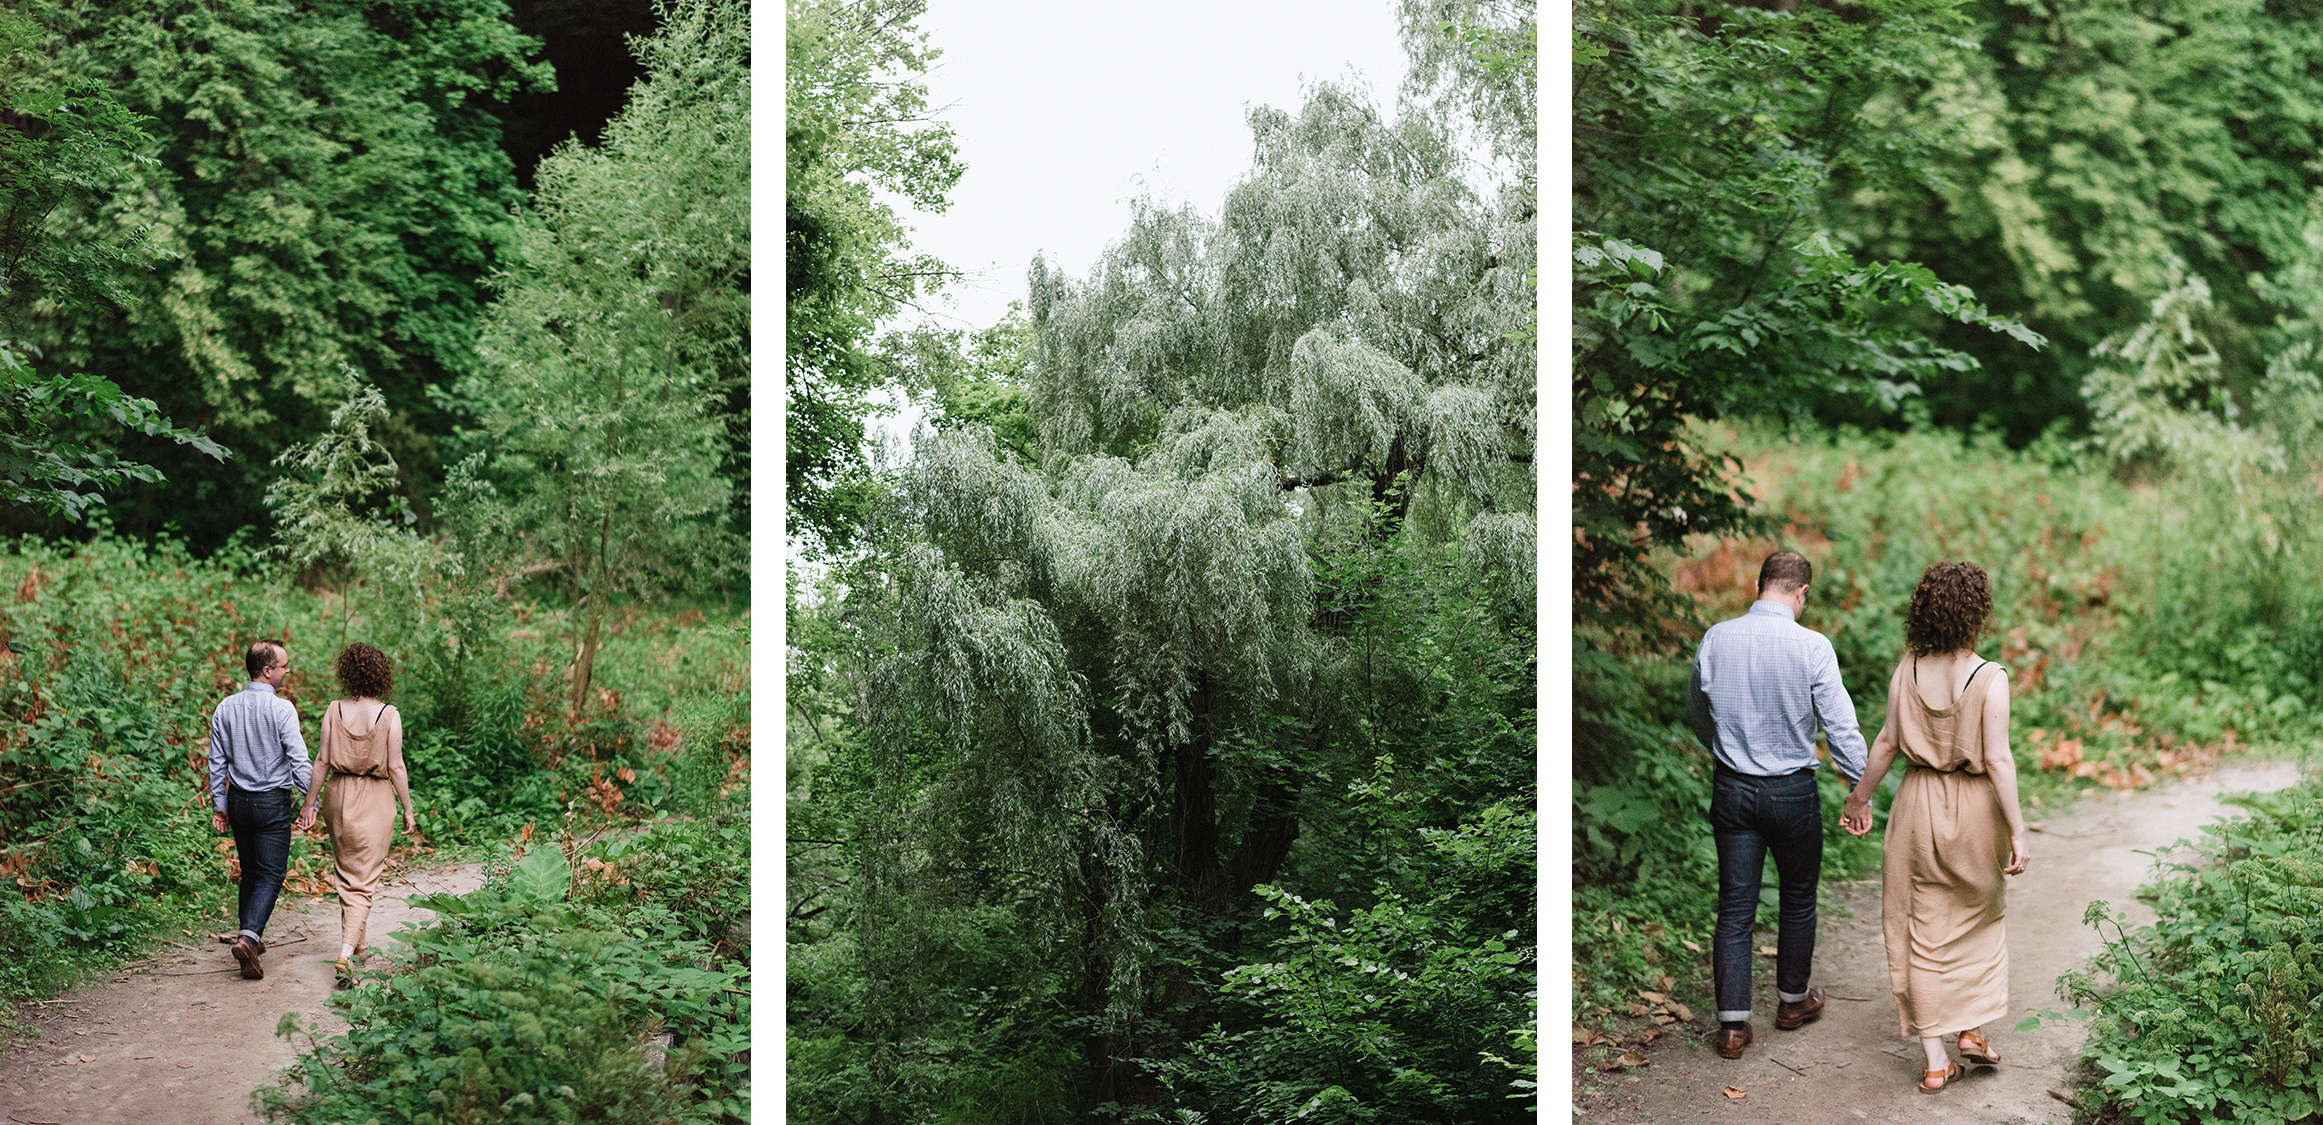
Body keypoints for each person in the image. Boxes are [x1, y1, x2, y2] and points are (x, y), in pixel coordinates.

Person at [1840, 561, 2030, 1093]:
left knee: (1923, 926)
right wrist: (2018, 829)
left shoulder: (1909, 668)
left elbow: (1884, 744)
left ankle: (1935, 1061)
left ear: (1925, 611)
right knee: (1979, 917)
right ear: (1976, 613)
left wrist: (1860, 797)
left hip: (1918, 803)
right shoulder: (1991, 678)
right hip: (1974, 809)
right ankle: (1970, 1029)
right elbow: (1998, 760)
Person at [1687, 551, 1869, 1060]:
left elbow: (1696, 711)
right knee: (1798, 899)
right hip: (1792, 793)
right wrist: (1861, 791)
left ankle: (1732, 1027)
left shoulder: (1717, 637)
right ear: (1800, 593)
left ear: (1760, 584)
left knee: (1736, 906)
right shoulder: (1812, 645)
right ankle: (1792, 1003)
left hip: (1734, 790)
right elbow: (1840, 727)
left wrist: (1725, 751)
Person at [296, 642, 416, 982]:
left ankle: (360, 945)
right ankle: (346, 953)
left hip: (338, 794)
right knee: (364, 880)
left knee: (347, 871)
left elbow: (320, 760)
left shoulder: (334, 709)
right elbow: (396, 766)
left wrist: (310, 803)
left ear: (347, 674)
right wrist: (408, 808)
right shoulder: (389, 715)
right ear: (381, 676)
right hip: (375, 798)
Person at [209, 639, 316, 980]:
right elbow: (299, 760)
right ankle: (248, 938)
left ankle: (251, 933)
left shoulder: (224, 708)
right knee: (271, 874)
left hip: (238, 800)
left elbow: (216, 762)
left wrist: (219, 806)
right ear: (267, 671)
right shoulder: (282, 709)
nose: (288, 671)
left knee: (251, 871)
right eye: (284, 666)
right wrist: (312, 800)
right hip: (271, 802)